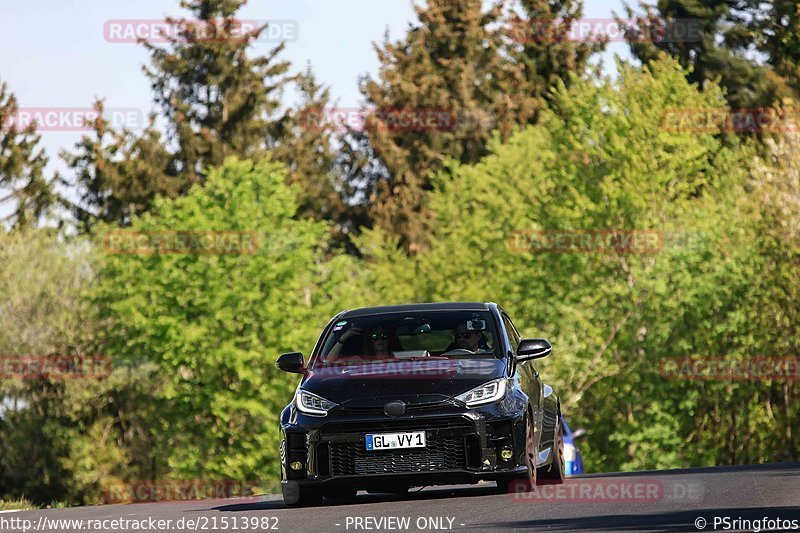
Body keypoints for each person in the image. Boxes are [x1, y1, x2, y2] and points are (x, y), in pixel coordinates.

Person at [325, 325, 400, 363]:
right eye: (375, 337)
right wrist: (343, 338)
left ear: (390, 339)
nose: (380, 340)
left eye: (384, 336)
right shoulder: (361, 361)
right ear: (370, 340)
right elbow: (329, 362)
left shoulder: (399, 360)